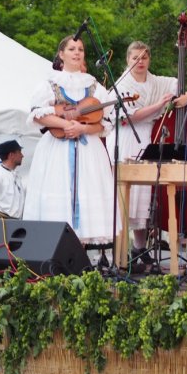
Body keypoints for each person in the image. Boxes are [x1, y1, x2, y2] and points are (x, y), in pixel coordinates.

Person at [23, 35, 117, 245]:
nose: (77, 53)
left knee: (85, 194)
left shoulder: (94, 86)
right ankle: (55, 253)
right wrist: (67, 125)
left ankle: (79, 254)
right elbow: (38, 115)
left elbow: (105, 123)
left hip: (88, 150)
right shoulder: (50, 83)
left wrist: (82, 128)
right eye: (72, 49)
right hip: (56, 148)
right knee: (58, 193)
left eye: (81, 49)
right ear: (61, 54)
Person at [106, 41, 187, 268]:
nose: (139, 62)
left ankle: (140, 248)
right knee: (123, 195)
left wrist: (185, 97)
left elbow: (178, 85)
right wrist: (159, 106)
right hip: (125, 136)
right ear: (127, 60)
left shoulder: (157, 82)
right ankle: (119, 252)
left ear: (149, 59)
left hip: (146, 136)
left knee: (143, 195)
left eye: (143, 57)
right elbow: (127, 117)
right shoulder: (121, 84)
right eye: (135, 58)